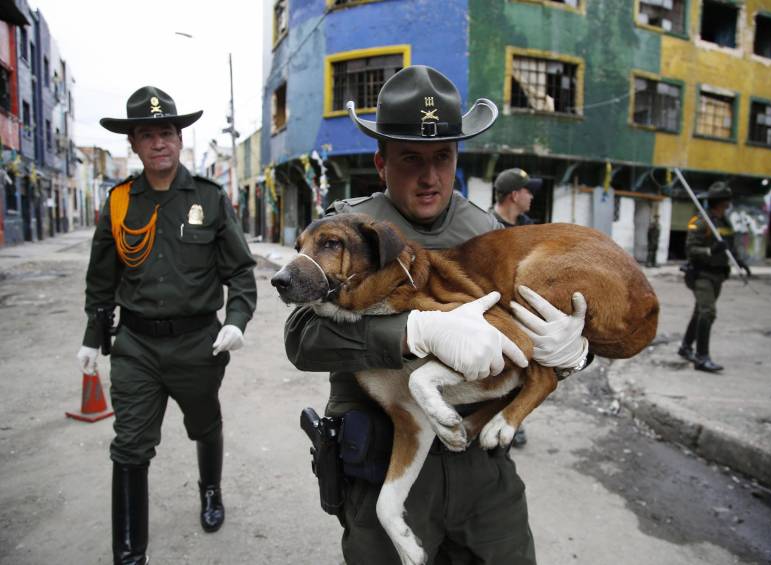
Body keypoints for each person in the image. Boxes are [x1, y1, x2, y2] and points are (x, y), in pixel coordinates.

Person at [284, 65, 590, 564]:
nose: (430, 176)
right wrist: (412, 332)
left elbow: (543, 330)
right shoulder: (345, 230)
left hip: (481, 470)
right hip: (385, 460)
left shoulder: (492, 235)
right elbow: (301, 340)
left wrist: (573, 351)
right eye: (411, 159)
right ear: (382, 163)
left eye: (442, 157)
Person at [76, 86, 257, 564]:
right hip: (136, 345)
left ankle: (211, 490)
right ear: (133, 144)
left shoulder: (210, 199)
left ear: (179, 140)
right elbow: (101, 278)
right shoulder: (118, 203)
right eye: (148, 134)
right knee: (130, 446)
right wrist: (93, 338)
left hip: (198, 343)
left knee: (204, 425)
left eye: (168, 133)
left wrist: (236, 320)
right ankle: (130, 554)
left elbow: (239, 271)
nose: (159, 142)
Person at [488, 167, 543, 448]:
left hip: (522, 310)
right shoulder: (483, 226)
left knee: (524, 367)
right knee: (495, 367)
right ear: (514, 195)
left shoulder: (528, 227)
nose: (532, 196)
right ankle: (489, 416)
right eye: (527, 191)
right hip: (494, 311)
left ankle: (514, 417)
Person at [678, 181, 749, 372]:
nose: (728, 204)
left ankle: (685, 347)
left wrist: (739, 261)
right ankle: (702, 358)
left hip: (718, 275)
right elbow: (690, 249)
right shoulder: (701, 221)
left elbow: (730, 246)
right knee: (708, 312)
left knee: (700, 312)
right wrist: (710, 250)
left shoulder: (724, 222)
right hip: (702, 274)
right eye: (726, 200)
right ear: (721, 201)